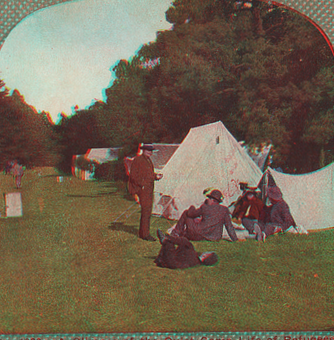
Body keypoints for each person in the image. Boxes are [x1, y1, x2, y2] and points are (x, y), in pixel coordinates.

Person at [170, 189, 239, 242]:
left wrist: (192, 207)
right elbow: (229, 226)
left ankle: (176, 232)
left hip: (200, 234)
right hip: (215, 237)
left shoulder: (205, 207)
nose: (207, 199)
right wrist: (235, 239)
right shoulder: (225, 210)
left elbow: (190, 214)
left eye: (209, 198)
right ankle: (180, 233)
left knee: (185, 213)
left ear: (213, 200)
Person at [128, 144, 163, 241]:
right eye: (147, 150)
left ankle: (143, 232)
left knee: (147, 211)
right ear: (143, 150)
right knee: (146, 211)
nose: (149, 152)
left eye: (151, 151)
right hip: (143, 189)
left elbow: (149, 174)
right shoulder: (138, 160)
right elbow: (133, 176)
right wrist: (142, 184)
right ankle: (145, 234)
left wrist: (156, 177)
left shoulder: (148, 161)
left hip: (148, 189)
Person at [154, 229, 218, 269]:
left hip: (170, 261)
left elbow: (176, 264)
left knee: (186, 243)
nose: (205, 252)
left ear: (206, 256)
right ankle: (167, 239)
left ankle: (166, 239)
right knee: (185, 243)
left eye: (207, 253)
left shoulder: (193, 259)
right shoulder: (195, 259)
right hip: (169, 260)